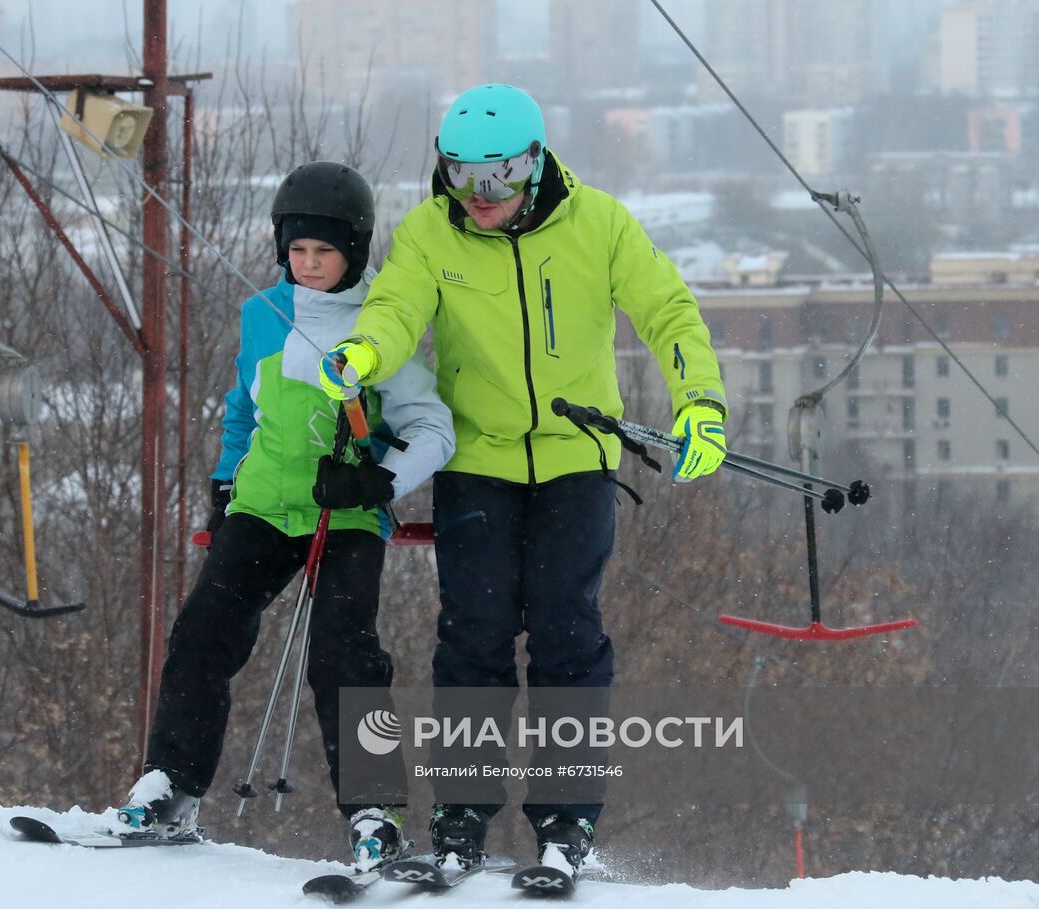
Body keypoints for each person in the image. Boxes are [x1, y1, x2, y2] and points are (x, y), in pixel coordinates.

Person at [318, 84, 729, 874]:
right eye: (462, 174)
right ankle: (462, 815)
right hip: (479, 462)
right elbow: (397, 309)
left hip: (577, 460)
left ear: (536, 162)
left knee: (568, 636)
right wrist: (365, 352)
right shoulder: (431, 232)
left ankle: (566, 823)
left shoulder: (598, 223)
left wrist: (700, 403)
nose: (480, 196)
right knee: (472, 637)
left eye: (499, 176)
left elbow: (668, 310)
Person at [117, 161, 455, 870]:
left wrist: (377, 482)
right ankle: (172, 785)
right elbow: (244, 408)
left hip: (348, 517)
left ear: (355, 252)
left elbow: (435, 431)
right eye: (297, 250)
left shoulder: (381, 325)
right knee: (204, 632)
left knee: (346, 653)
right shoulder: (261, 314)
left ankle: (376, 809)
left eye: (324, 252)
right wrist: (223, 480)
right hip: (265, 504)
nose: (308, 264)